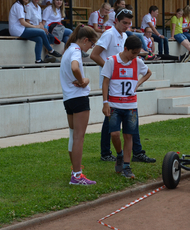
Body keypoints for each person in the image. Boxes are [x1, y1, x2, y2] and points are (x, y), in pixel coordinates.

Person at [90, 7, 156, 164]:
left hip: (123, 85)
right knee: (114, 120)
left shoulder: (125, 35)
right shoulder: (109, 34)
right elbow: (94, 54)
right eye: (124, 23)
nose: (126, 26)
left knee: (125, 119)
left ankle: (127, 151)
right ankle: (111, 152)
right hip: (112, 84)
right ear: (116, 21)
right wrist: (111, 71)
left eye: (129, 23)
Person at [101, 35, 152, 179]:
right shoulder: (111, 61)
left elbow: (148, 73)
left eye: (137, 53)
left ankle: (127, 166)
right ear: (125, 49)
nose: (134, 56)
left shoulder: (138, 62)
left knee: (129, 135)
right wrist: (105, 102)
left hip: (131, 105)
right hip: (115, 105)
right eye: (133, 53)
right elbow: (105, 82)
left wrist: (138, 83)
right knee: (115, 134)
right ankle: (119, 154)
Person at [60, 24, 98, 185]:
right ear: (85, 40)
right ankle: (76, 175)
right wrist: (84, 80)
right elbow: (75, 67)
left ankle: (75, 170)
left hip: (69, 99)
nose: (91, 48)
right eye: (91, 44)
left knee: (73, 134)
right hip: (78, 98)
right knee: (78, 137)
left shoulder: (68, 50)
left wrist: (84, 80)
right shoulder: (75, 51)